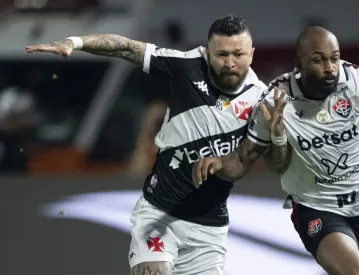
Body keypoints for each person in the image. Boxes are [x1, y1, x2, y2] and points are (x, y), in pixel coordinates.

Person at [191, 26, 359, 275]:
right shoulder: (276, 100)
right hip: (317, 208)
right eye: (318, 60)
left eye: (334, 58)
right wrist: (218, 163)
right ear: (299, 65)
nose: (329, 68)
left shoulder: (355, 79)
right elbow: (244, 160)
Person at [26, 14, 268, 275]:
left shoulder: (261, 99)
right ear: (208, 53)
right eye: (221, 54)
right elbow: (126, 47)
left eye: (238, 54)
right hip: (160, 214)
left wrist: (276, 138)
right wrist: (76, 41)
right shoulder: (186, 66)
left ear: (251, 54)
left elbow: (250, 163)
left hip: (209, 228)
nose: (230, 63)